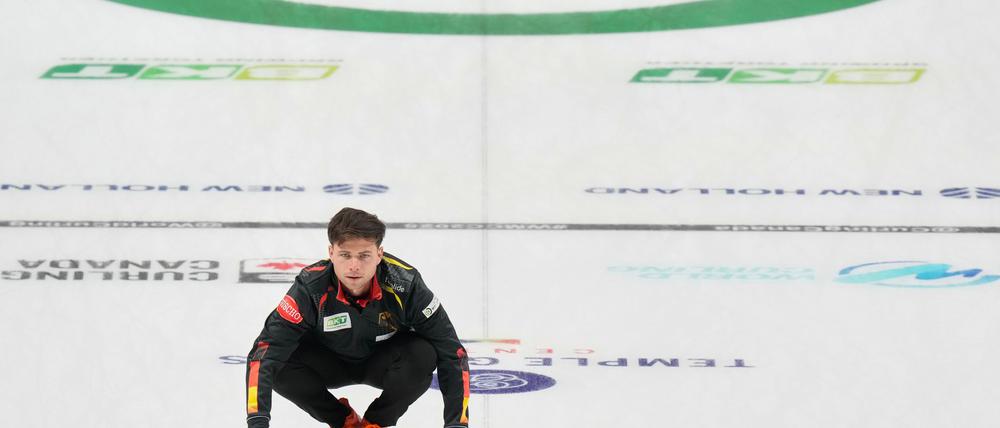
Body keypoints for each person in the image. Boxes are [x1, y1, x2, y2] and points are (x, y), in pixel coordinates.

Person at [246, 207, 471, 428]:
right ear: (331, 253)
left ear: (379, 254)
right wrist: (258, 423)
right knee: (278, 361)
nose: (354, 266)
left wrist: (457, 425)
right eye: (345, 255)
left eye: (364, 256)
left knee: (424, 354)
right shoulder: (310, 288)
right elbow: (263, 353)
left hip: (384, 362)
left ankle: (375, 423)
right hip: (326, 362)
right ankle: (343, 421)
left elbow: (453, 353)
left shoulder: (406, 285)